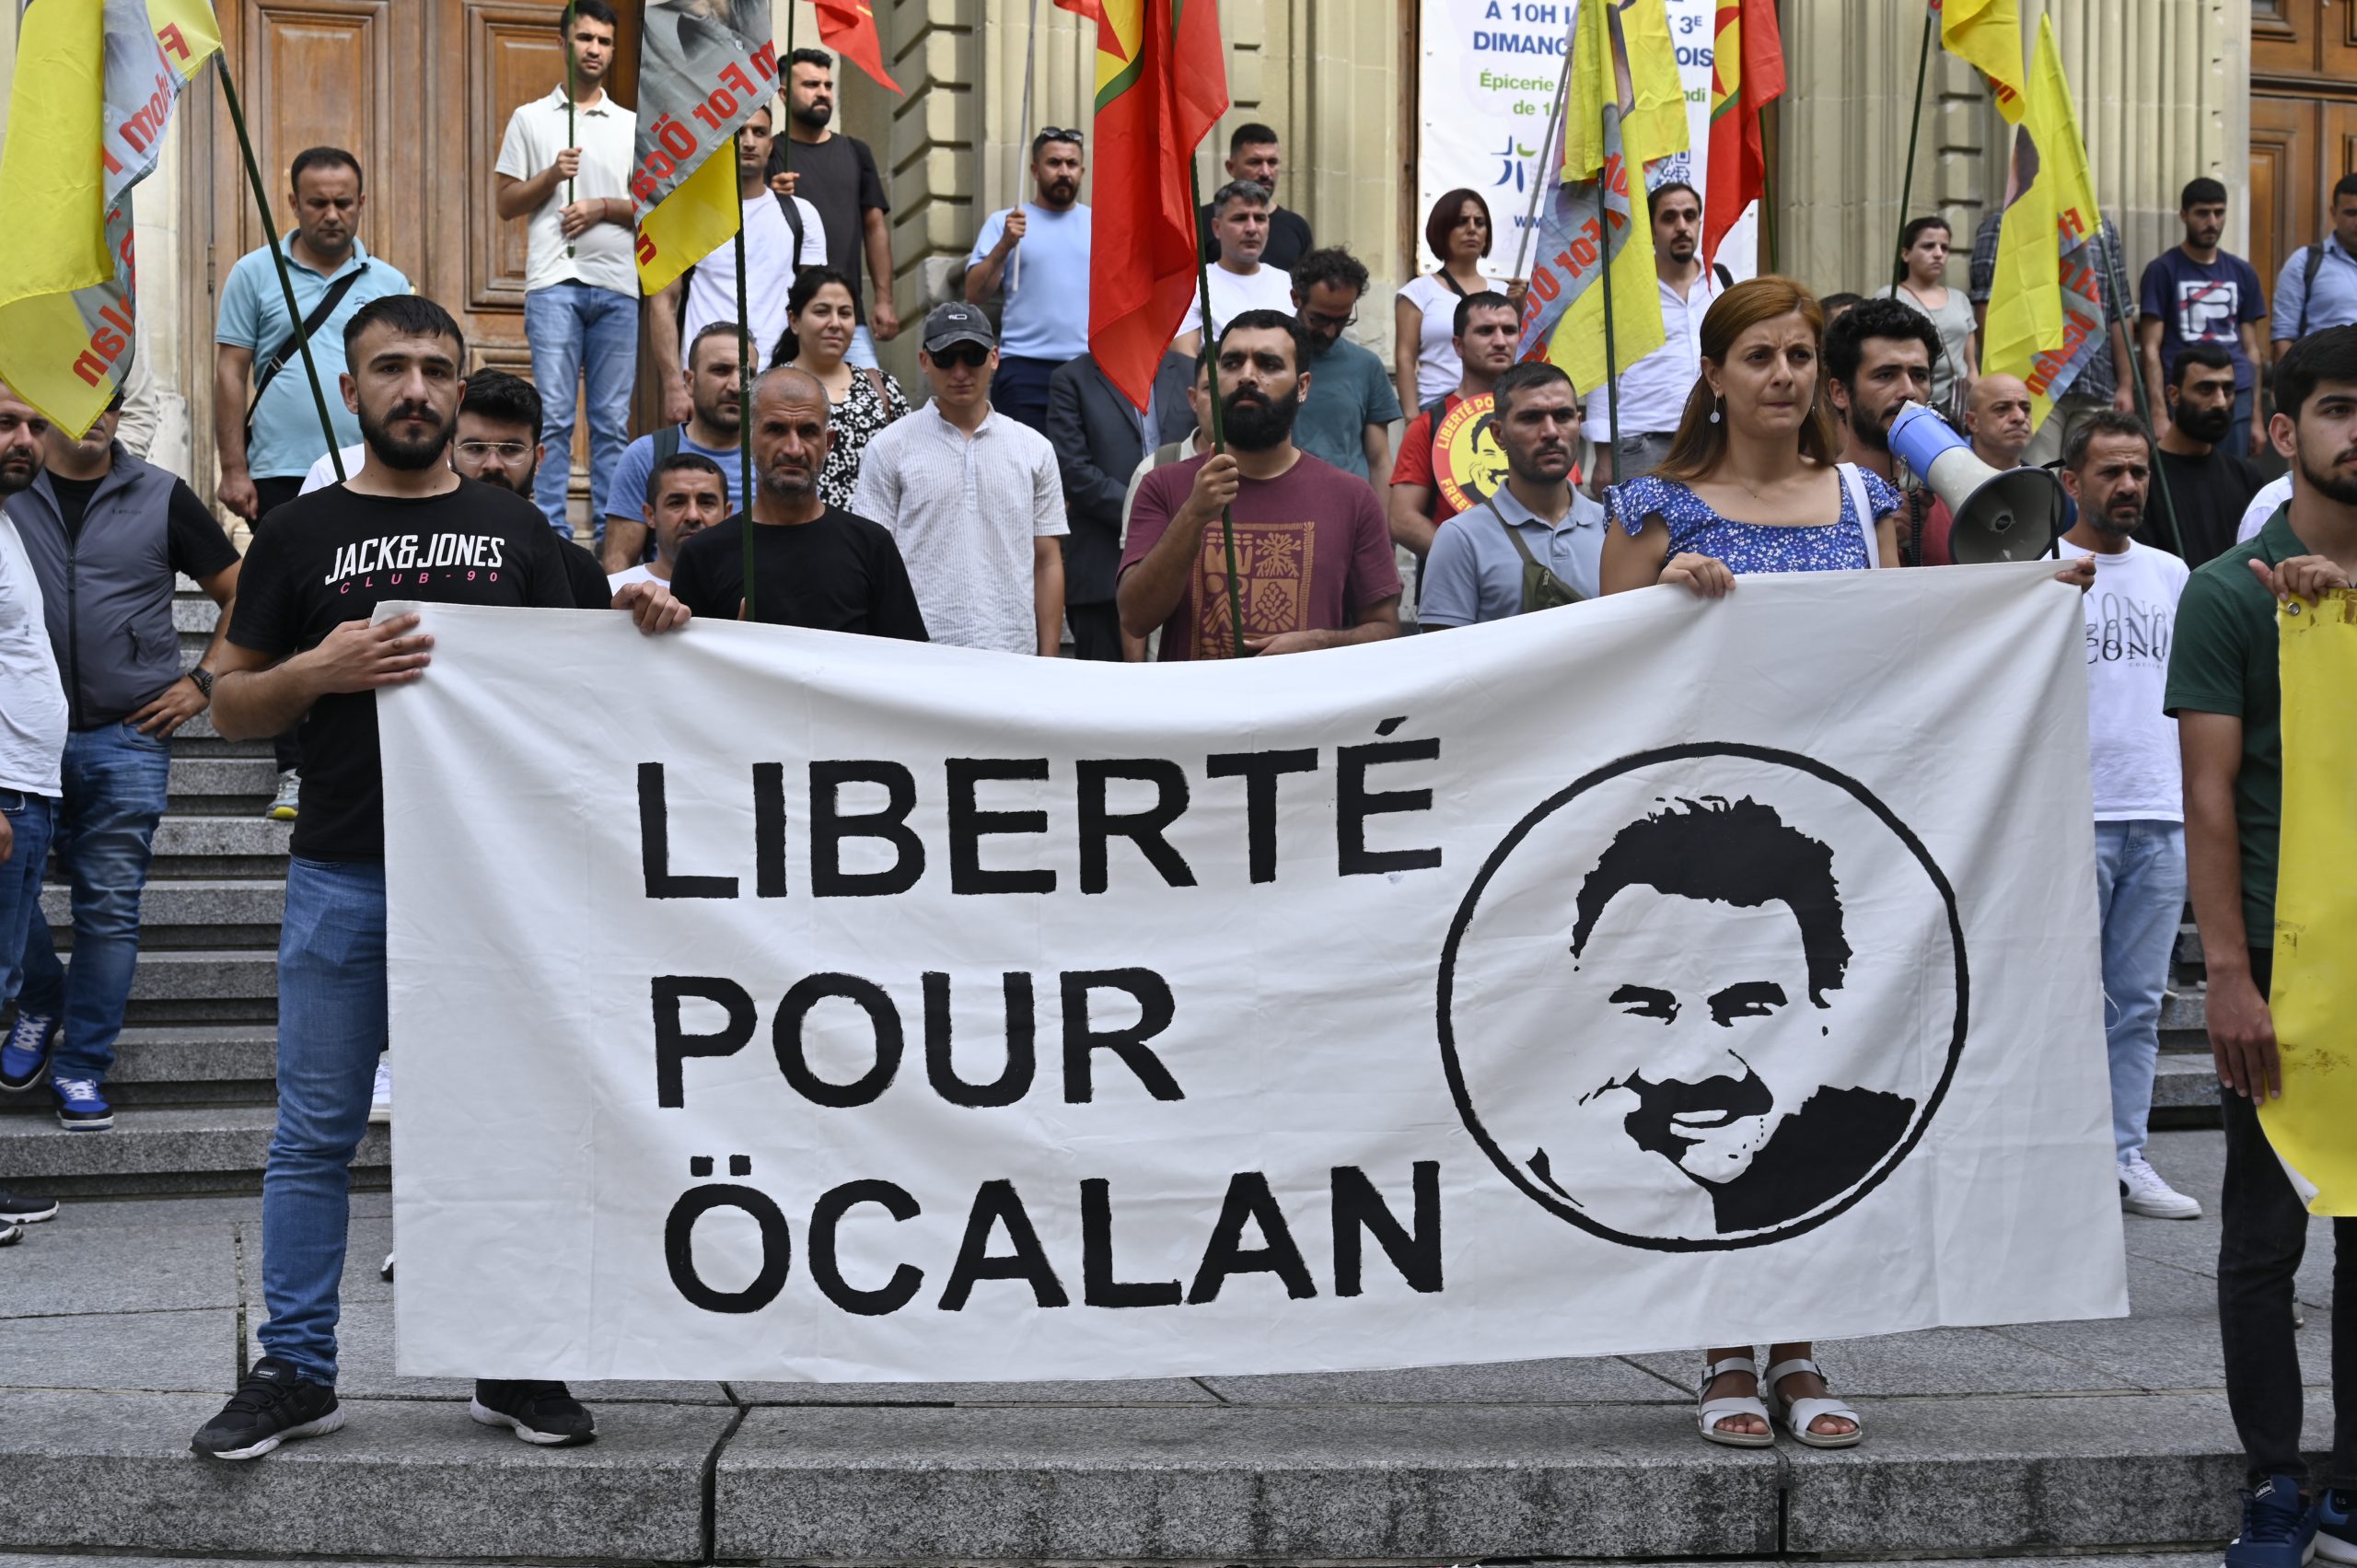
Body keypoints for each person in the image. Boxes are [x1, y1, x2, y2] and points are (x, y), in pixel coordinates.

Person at [188, 294, 689, 1463]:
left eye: (432, 368)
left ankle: (510, 1354)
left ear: (459, 391)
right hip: (345, 872)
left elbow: (605, 669)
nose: (412, 388)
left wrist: (649, 607)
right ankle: (296, 1367)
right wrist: (317, 668)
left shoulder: (516, 533)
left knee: (503, 1125)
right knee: (314, 1132)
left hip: (492, 888)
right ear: (351, 389)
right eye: (389, 368)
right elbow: (226, 705)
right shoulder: (300, 534)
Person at [1595, 277, 1902, 1450]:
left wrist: (2027, 598)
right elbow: (1595, 671)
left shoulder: (1862, 496)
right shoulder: (1653, 506)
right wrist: (1658, 605)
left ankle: (1801, 1343)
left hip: (1835, 843)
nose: (1781, 375)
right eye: (1758, 355)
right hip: (1699, 857)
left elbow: (1910, 644)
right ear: (1713, 375)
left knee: (1810, 1083)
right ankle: (1725, 1342)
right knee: (1715, 1085)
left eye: (1798, 356)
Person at [2164, 325, 2357, 1568]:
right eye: (2339, 407)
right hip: (2285, 967)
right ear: (2282, 430)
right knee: (2263, 1239)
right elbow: (2209, 798)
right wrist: (2227, 976)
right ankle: (2276, 1478)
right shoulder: (2232, 591)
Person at [2, 394, 242, 1132]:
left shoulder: (162, 494)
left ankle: (82, 1064)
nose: (97, 415)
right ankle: (41, 997)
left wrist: (202, 682)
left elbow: (242, 591)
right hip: (22, 739)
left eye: (111, 401)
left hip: (128, 734)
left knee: (108, 908)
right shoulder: (13, 486)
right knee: (10, 892)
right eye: (79, 400)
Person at [2050, 411, 2203, 1221]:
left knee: (2139, 1000)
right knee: (2062, 997)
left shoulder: (2172, 573)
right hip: (2072, 814)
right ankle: (2058, 1156)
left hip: (2160, 812)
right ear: (2072, 480)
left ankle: (2124, 1153)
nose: (2129, 485)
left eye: (2139, 470)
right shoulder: (2040, 569)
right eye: (2111, 471)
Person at [1118, 310, 1400, 659]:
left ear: (1302, 386)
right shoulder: (1162, 485)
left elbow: (1386, 631)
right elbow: (1135, 619)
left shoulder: (1352, 498)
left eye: (1269, 364)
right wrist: (1193, 514)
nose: (1247, 376)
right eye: (1232, 363)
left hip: (1305, 696)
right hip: (1193, 696)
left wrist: (1319, 644)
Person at [493, 0, 638, 536]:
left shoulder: (631, 125)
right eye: (585, 38)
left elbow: (655, 209)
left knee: (611, 424)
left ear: (613, 50)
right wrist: (553, 176)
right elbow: (506, 202)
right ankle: (550, 534)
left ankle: (611, 538)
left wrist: (602, 207)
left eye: (604, 41)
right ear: (563, 43)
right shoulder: (531, 118)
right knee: (552, 416)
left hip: (618, 285)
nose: (595, 49)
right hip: (554, 283)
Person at [853, 302, 1066, 656]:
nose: (960, 371)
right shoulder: (889, 447)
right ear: (924, 361)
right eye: (946, 358)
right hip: (918, 655)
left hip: (1014, 653)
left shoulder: (1036, 449)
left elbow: (1047, 561)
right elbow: (870, 562)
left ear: (994, 358)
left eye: (973, 356)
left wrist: (1049, 659)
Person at [215, 146, 413, 524]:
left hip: (367, 467)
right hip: (279, 469)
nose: (332, 215)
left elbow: (405, 377)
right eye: (318, 203)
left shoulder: (391, 283)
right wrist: (233, 469)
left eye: (343, 203)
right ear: (295, 203)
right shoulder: (253, 273)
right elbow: (230, 372)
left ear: (361, 202)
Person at [668, 366, 928, 638]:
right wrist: (734, 643)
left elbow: (906, 657)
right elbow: (683, 660)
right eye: (776, 429)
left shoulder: (872, 546)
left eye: (808, 431)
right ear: (748, 437)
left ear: (828, 442)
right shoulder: (703, 555)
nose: (794, 449)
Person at [650, 102, 824, 425]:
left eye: (759, 132)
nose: (749, 141)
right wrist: (673, 385)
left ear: (771, 144)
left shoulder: (802, 215)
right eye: (739, 132)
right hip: (705, 381)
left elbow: (815, 305)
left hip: (779, 379)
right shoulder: (685, 214)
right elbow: (663, 302)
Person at [0, 383, 67, 1146]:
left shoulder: (10, 519)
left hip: (27, 787)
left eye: (35, 424)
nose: (24, 439)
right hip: (7, 792)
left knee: (17, 966)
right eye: (5, 423)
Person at [1420, 361, 1605, 627]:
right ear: (1498, 434)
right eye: (1531, 418)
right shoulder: (1460, 538)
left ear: (1579, 423)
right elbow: (1444, 650)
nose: (1551, 432)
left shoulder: (1612, 528)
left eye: (1562, 416)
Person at [1046, 348, 1197, 661]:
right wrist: (1153, 516)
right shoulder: (1071, 379)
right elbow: (1074, 472)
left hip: (1190, 579)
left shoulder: (1192, 371)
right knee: (1104, 691)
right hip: (1101, 573)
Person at [1969, 209, 2137, 468]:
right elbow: (1986, 303)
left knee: (2093, 477)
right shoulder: (2005, 221)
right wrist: (1998, 380)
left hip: (2098, 383)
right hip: (2037, 384)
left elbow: (2119, 308)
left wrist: (2126, 383)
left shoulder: (2099, 225)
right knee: (2041, 478)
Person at [1587, 181, 1726, 485]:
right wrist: (1604, 457)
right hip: (1642, 444)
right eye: (1669, 218)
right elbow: (1603, 374)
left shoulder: (1724, 283)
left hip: (1713, 442)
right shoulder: (1624, 289)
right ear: (1650, 230)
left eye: (1690, 216)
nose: (1681, 227)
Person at [768, 49, 898, 369]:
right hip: (778, 317)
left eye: (828, 85)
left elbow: (875, 228)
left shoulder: (856, 151)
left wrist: (884, 299)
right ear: (783, 93)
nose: (823, 93)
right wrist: (771, 197)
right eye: (811, 85)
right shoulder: (768, 153)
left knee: (872, 396)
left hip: (846, 315)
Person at [448, 368, 615, 612]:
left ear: (538, 458)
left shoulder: (579, 569)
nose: (493, 464)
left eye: (510, 449)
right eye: (475, 448)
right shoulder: (418, 553)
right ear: (449, 453)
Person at [963, 128, 1092, 434]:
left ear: (1082, 171)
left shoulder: (1100, 223)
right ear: (1035, 170)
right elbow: (974, 293)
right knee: (1020, 460)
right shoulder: (1006, 222)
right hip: (1024, 366)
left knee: (1082, 463)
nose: (1064, 172)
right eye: (1054, 163)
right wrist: (1005, 244)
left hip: (1087, 366)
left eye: (1072, 164)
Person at [601, 325, 758, 571]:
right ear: (689, 381)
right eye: (721, 370)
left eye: (748, 374)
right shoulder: (646, 455)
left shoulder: (773, 459)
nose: (737, 386)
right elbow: (617, 562)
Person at [2138, 177, 2267, 457]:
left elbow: (2252, 351)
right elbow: (2150, 348)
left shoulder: (2243, 272)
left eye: (2219, 213)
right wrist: (2158, 412)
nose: (2212, 222)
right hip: (2186, 392)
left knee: (2233, 475)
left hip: (2236, 393)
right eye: (2202, 213)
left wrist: (2257, 417)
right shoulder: (2162, 270)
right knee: (2183, 475)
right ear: (2184, 215)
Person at [1388, 291, 1520, 561]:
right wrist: (1473, 561)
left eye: (1509, 330)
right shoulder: (1428, 426)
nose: (1500, 341)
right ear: (1458, 346)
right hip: (1457, 578)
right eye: (1485, 331)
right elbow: (1402, 519)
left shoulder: (1544, 418)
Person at [772, 267, 911, 510]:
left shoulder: (883, 387)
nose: (835, 323)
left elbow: (911, 463)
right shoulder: (770, 389)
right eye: (822, 312)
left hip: (875, 529)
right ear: (794, 321)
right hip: (797, 527)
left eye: (845, 313)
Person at [1824, 296, 1939, 563]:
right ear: (1840, 393)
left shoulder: (1952, 498)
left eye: (1919, 376)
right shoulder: (1813, 500)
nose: (1908, 391)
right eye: (1886, 375)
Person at [2138, 343, 2265, 567]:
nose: (2220, 402)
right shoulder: (2141, 478)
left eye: (2227, 390)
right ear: (2174, 395)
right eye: (2206, 389)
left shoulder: (2246, 477)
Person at [1289, 247, 1402, 484]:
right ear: (1296, 298)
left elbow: (1380, 462)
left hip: (1350, 500)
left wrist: (1381, 510)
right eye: (1319, 319)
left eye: (1342, 319)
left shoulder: (1367, 366)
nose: (1330, 332)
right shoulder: (1265, 360)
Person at [1396, 189, 1505, 412]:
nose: (1472, 229)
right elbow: (1405, 358)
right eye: (1461, 222)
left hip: (1493, 407)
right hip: (1437, 407)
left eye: (1480, 222)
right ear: (1441, 229)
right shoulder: (1417, 292)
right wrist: (1412, 418)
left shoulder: (1504, 292)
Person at [1918, 372, 2039, 565]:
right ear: (1972, 422)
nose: (2019, 417)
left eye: (2026, 409)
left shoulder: (2047, 492)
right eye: (2002, 409)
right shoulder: (1933, 497)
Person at [1174, 183, 1298, 356]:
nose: (1252, 228)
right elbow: (1184, 358)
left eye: (1260, 218)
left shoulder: (1287, 283)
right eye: (1240, 218)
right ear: (1217, 228)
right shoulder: (1195, 285)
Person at [1875, 216, 1977, 412]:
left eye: (1944, 248)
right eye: (1929, 246)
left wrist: (1973, 374)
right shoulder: (1889, 296)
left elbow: (1969, 350)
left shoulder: (1960, 298)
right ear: (1906, 254)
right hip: (1912, 400)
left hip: (1958, 402)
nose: (1938, 254)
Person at [1195, 123, 1314, 273]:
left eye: (1272, 162)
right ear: (1231, 167)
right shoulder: (1199, 222)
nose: (1265, 172)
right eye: (1255, 162)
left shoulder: (1297, 227)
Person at [610, 454, 728, 592]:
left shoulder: (745, 591)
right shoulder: (614, 591)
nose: (693, 515)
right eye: (676, 503)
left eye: (706, 503)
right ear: (650, 515)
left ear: (727, 514)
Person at [2271, 172, 2357, 352]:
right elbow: (2284, 336)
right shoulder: (2304, 263)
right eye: (2351, 213)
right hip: (2326, 368)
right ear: (2333, 213)